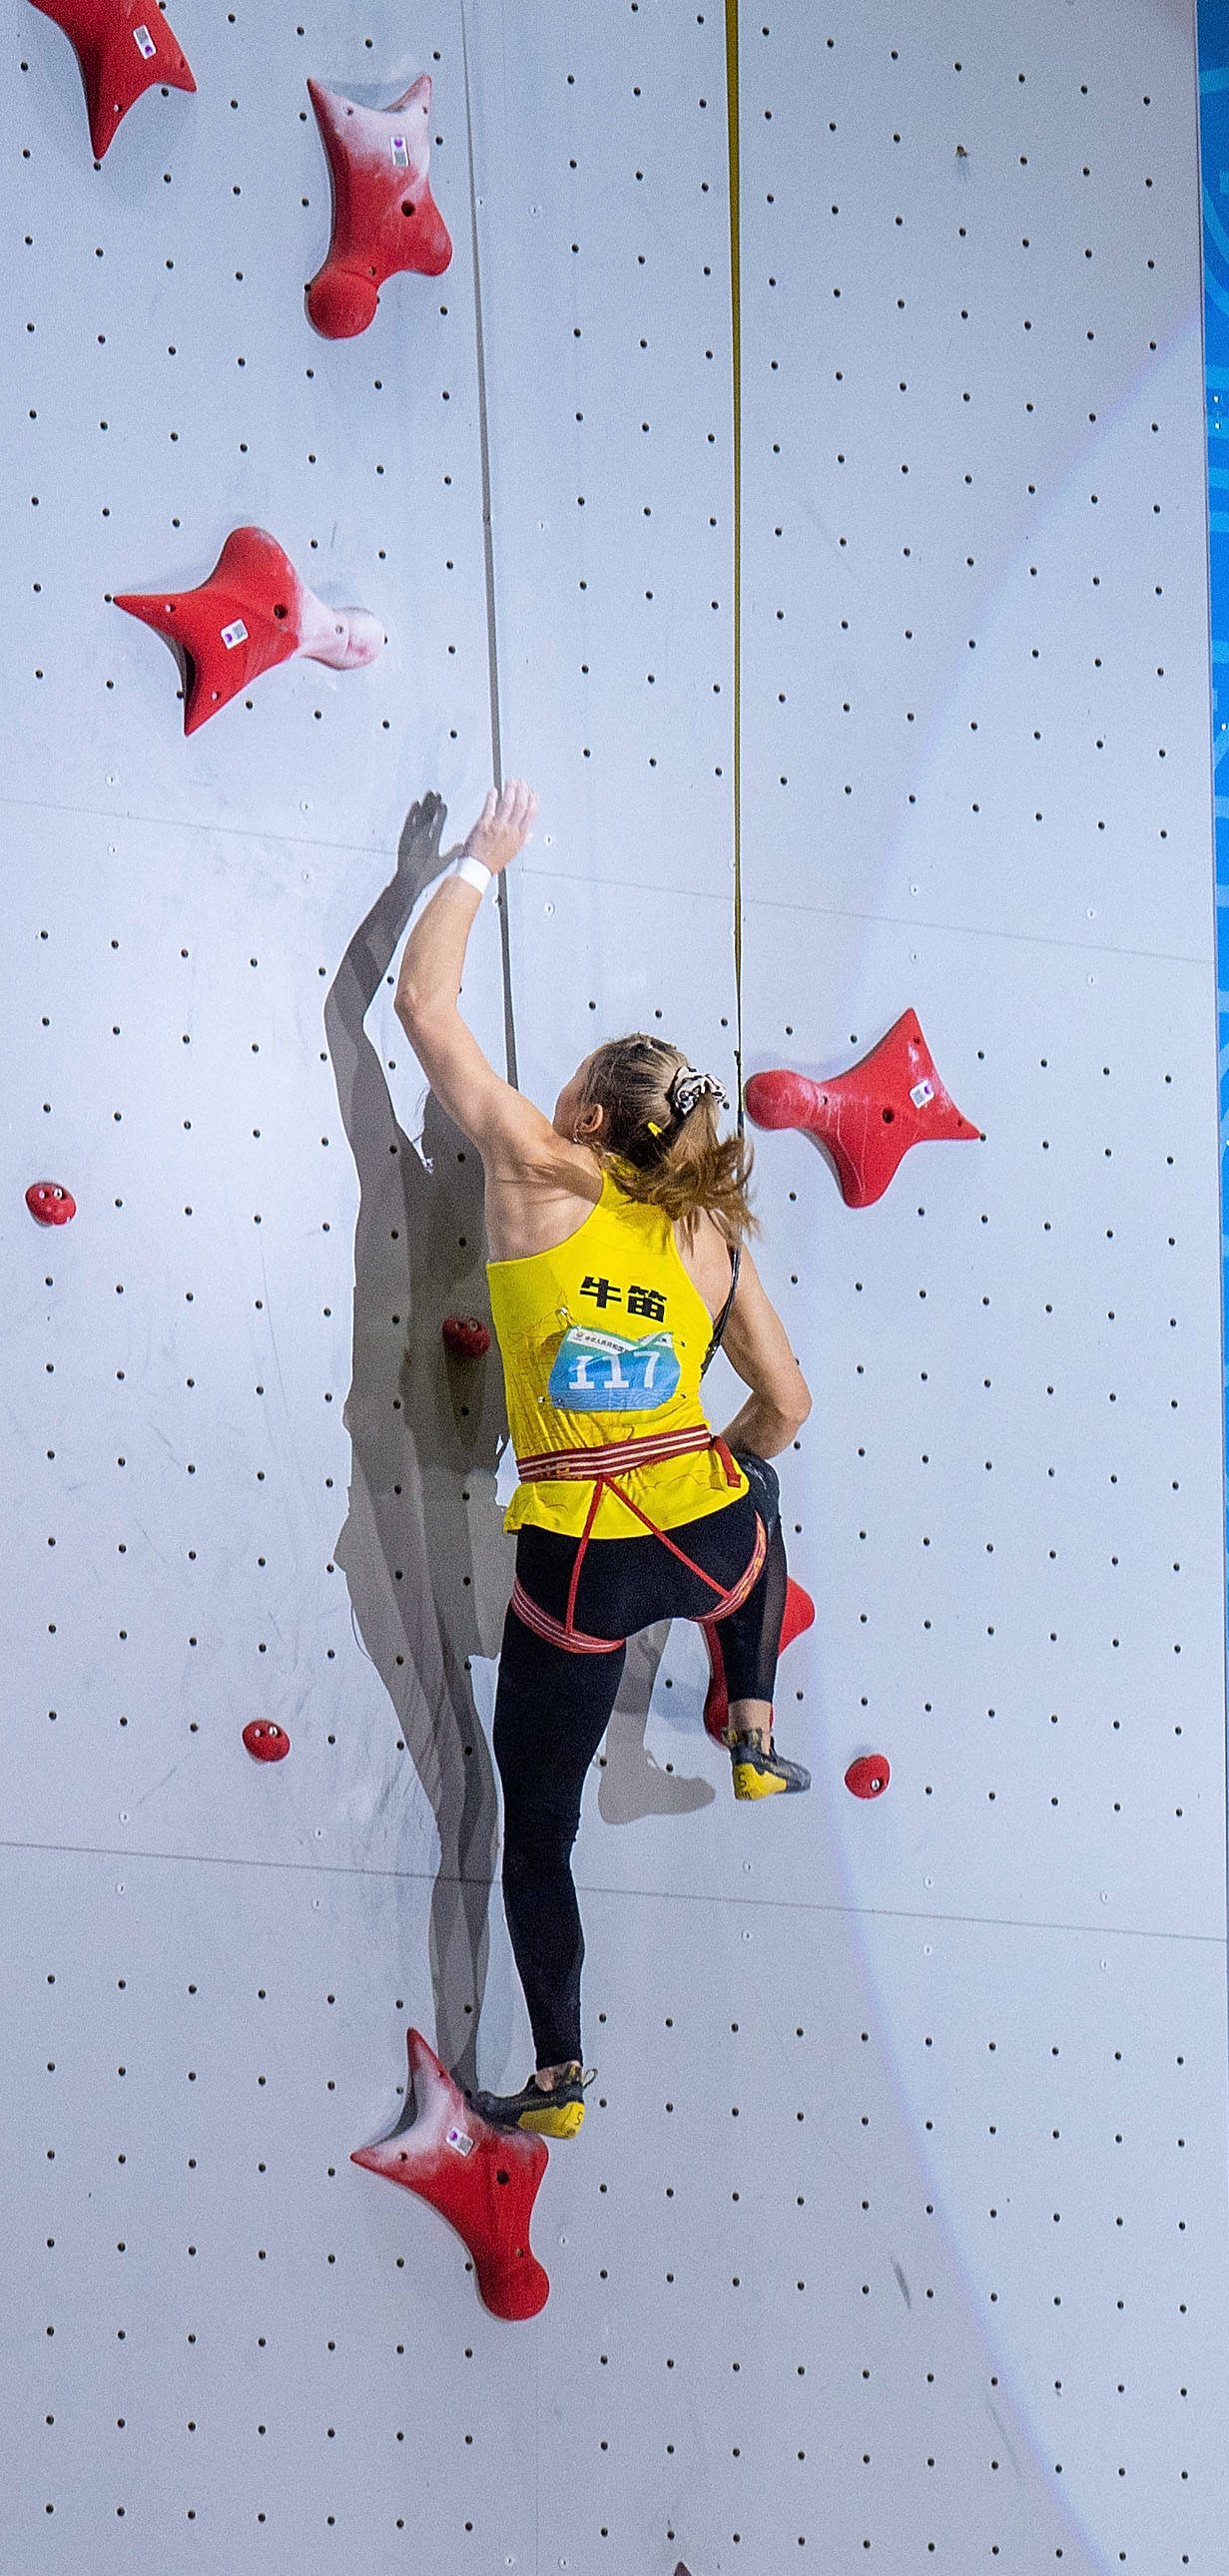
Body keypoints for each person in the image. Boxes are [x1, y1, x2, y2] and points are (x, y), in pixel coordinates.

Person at [387, 781, 816, 2138]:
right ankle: (751, 1724)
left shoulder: (533, 1173)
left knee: (542, 1832)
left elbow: (423, 1011)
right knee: (762, 1492)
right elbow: (787, 1402)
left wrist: (477, 866)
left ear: (582, 1106)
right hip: (703, 1538)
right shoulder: (712, 1238)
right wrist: (711, 1480)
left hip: (579, 1565)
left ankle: (562, 2077)